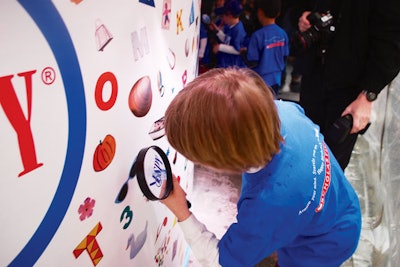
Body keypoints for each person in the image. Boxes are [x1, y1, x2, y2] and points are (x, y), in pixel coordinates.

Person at [162, 67, 361, 267]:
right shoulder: (281, 111)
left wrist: (181, 211)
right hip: (341, 204)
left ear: (225, 159)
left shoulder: (269, 204)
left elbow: (222, 261)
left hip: (322, 246)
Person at [291, 0, 400, 169]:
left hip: (349, 90)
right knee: (305, 150)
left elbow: (391, 39)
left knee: (331, 165)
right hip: (314, 73)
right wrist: (303, 15)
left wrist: (368, 94)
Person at [244, 0, 289, 95]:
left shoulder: (257, 36)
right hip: (276, 78)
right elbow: (285, 56)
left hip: (260, 81)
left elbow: (252, 61)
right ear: (278, 13)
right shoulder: (283, 34)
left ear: (260, 12)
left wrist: (243, 53)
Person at [210, 0, 248, 68]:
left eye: (223, 15)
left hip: (233, 66)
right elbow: (227, 40)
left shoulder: (238, 30)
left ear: (229, 15)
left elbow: (237, 50)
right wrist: (217, 31)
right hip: (225, 63)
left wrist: (220, 47)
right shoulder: (230, 26)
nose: (223, 18)